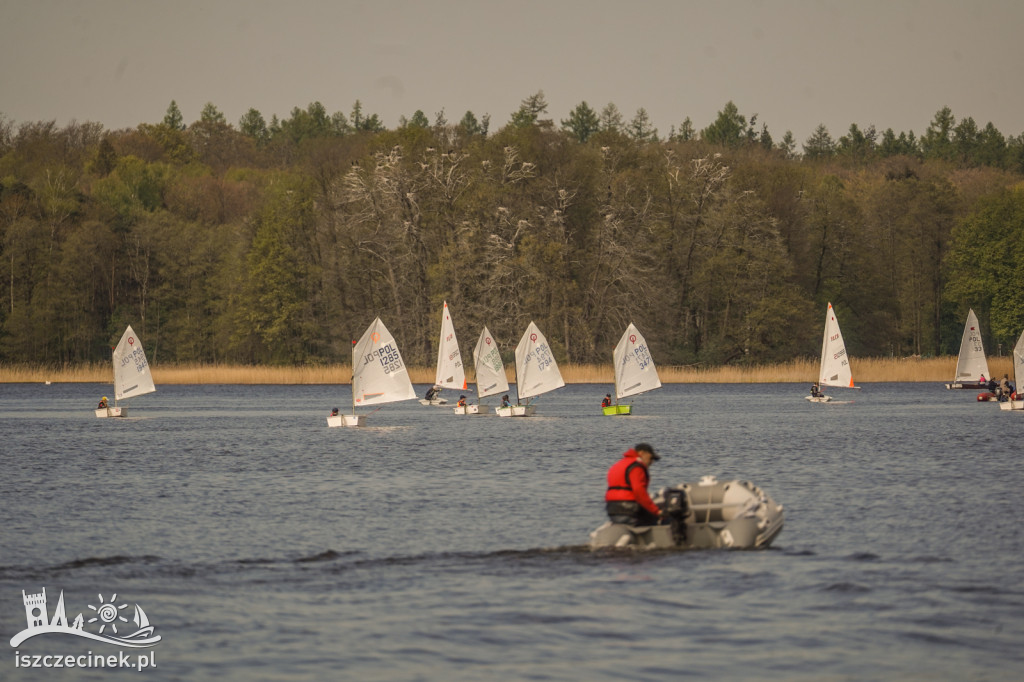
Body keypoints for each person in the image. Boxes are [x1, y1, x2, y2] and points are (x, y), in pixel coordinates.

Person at [605, 443, 663, 526]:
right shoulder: (636, 467)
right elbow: (639, 492)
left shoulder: (619, 464)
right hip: (628, 508)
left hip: (612, 508)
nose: (651, 462)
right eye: (651, 458)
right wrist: (657, 511)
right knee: (657, 521)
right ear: (642, 453)